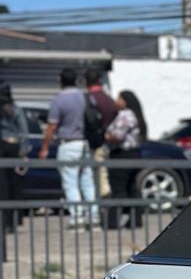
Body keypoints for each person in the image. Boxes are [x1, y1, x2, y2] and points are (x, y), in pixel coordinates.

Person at [38, 67, 97, 225]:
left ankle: (77, 217)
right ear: (77, 81)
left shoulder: (59, 100)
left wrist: (45, 147)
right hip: (84, 142)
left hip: (68, 143)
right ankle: (93, 215)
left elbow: (52, 125)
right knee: (87, 180)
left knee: (70, 181)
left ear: (60, 80)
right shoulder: (84, 97)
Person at [105, 89, 147, 228]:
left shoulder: (125, 115)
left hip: (122, 155)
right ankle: (136, 220)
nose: (116, 101)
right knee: (132, 188)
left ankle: (112, 221)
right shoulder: (136, 115)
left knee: (118, 190)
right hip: (134, 155)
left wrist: (105, 137)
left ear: (125, 101)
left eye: (119, 98)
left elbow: (118, 135)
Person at [84, 66, 119, 214]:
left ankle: (99, 207)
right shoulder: (109, 100)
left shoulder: (88, 99)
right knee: (104, 173)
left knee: (93, 177)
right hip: (108, 142)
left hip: (93, 142)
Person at [0, 82, 21, 263]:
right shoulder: (14, 108)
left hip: (3, 147)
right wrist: (23, 151)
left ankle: (7, 221)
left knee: (4, 187)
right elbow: (23, 129)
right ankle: (13, 221)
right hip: (13, 146)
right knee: (13, 186)